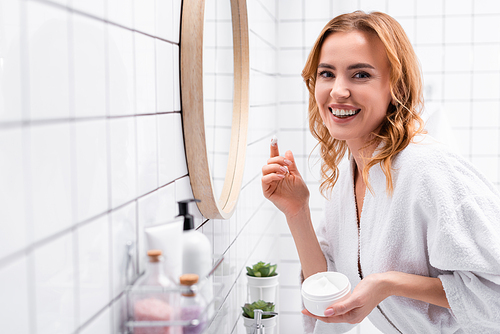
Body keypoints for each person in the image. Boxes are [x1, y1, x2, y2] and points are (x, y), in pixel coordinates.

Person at [261, 10, 500, 334]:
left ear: (396, 87)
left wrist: (389, 283)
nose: (338, 91)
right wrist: (297, 211)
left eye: (360, 75)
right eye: (327, 73)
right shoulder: (347, 176)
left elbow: (494, 291)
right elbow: (330, 281)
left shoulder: (428, 169)